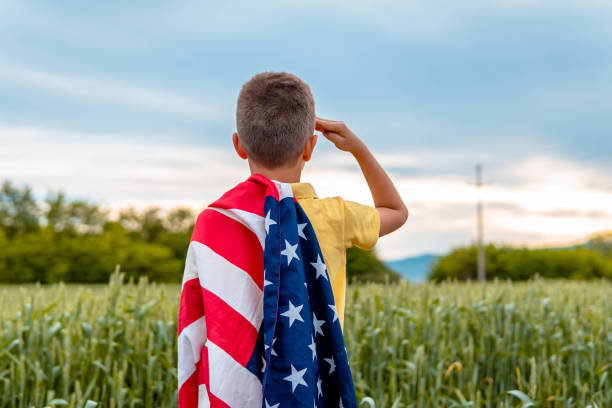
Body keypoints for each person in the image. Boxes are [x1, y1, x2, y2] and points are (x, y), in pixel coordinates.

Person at [232, 71, 409, 330]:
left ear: (239, 145)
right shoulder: (335, 217)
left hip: (238, 371)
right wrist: (358, 149)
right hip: (318, 370)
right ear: (309, 148)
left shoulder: (220, 218)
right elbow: (396, 211)